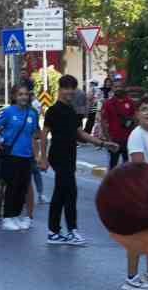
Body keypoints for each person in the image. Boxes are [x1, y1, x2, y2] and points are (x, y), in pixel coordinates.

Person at [40, 74, 115, 245]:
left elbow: (80, 134)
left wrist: (103, 144)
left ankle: (54, 232)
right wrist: (42, 158)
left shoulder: (72, 111)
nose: (69, 92)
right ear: (59, 89)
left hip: (70, 156)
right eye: (66, 88)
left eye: (72, 88)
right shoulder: (53, 110)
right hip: (58, 156)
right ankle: (71, 230)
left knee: (61, 194)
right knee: (70, 193)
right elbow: (44, 135)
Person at [121, 98, 148, 290]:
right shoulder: (136, 135)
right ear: (137, 114)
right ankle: (131, 278)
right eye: (144, 109)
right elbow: (139, 166)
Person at [0, 85, 41, 231]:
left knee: (22, 187)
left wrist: (37, 155)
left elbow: (35, 135)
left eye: (26, 94)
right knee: (11, 187)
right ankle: (7, 217)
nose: (23, 97)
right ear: (14, 96)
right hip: (11, 155)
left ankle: (15, 215)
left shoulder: (32, 113)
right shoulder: (8, 112)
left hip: (26, 155)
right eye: (20, 94)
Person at [100, 83, 136, 169]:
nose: (118, 88)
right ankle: (112, 182)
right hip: (114, 139)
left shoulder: (130, 102)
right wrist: (108, 139)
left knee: (128, 165)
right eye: (116, 87)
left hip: (128, 139)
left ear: (124, 88)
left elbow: (135, 117)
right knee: (113, 164)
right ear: (112, 88)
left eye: (120, 86)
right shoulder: (108, 103)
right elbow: (104, 122)